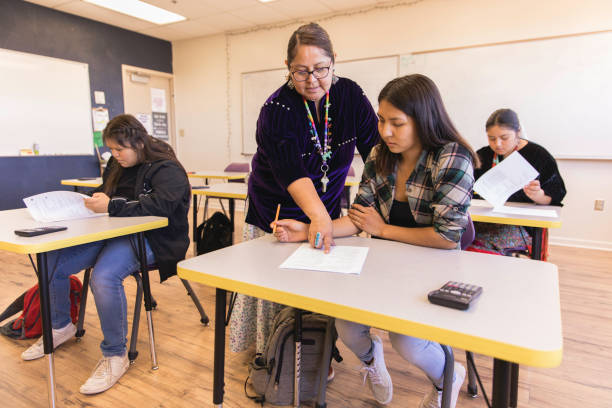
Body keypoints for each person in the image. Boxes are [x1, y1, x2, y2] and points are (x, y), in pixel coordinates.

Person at [273, 74, 478, 408]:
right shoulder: (380, 154)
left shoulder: (452, 157)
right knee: (347, 325)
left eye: (397, 123)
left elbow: (447, 236)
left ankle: (448, 377)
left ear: (424, 120)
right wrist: (310, 228)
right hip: (383, 266)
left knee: (408, 341)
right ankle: (371, 361)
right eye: (382, 120)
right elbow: (359, 220)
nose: (385, 131)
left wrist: (382, 231)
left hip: (434, 268)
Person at [229, 22, 379, 355]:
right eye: (301, 72)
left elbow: (376, 153)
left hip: (326, 208)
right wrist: (319, 219)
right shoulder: (276, 110)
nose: (312, 80)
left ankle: (315, 356)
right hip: (278, 211)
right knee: (276, 292)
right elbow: (292, 173)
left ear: (334, 60)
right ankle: (275, 356)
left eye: (321, 69)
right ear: (287, 68)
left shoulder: (350, 96)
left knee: (322, 288)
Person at [20, 114, 191, 395]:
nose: (115, 156)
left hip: (153, 238)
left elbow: (161, 206)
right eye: (110, 150)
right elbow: (108, 192)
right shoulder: (117, 163)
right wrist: (94, 199)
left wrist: (111, 206)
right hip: (110, 232)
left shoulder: (166, 167)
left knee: (104, 277)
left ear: (138, 142)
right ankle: (60, 325)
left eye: (120, 149)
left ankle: (115, 355)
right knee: (50, 259)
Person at [472, 108, 566, 255]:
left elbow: (556, 194)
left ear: (518, 132)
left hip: (520, 225)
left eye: (504, 138)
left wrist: (538, 196)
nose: (498, 144)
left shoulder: (538, 155)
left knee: (482, 246)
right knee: (459, 237)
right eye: (491, 138)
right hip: (484, 218)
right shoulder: (483, 155)